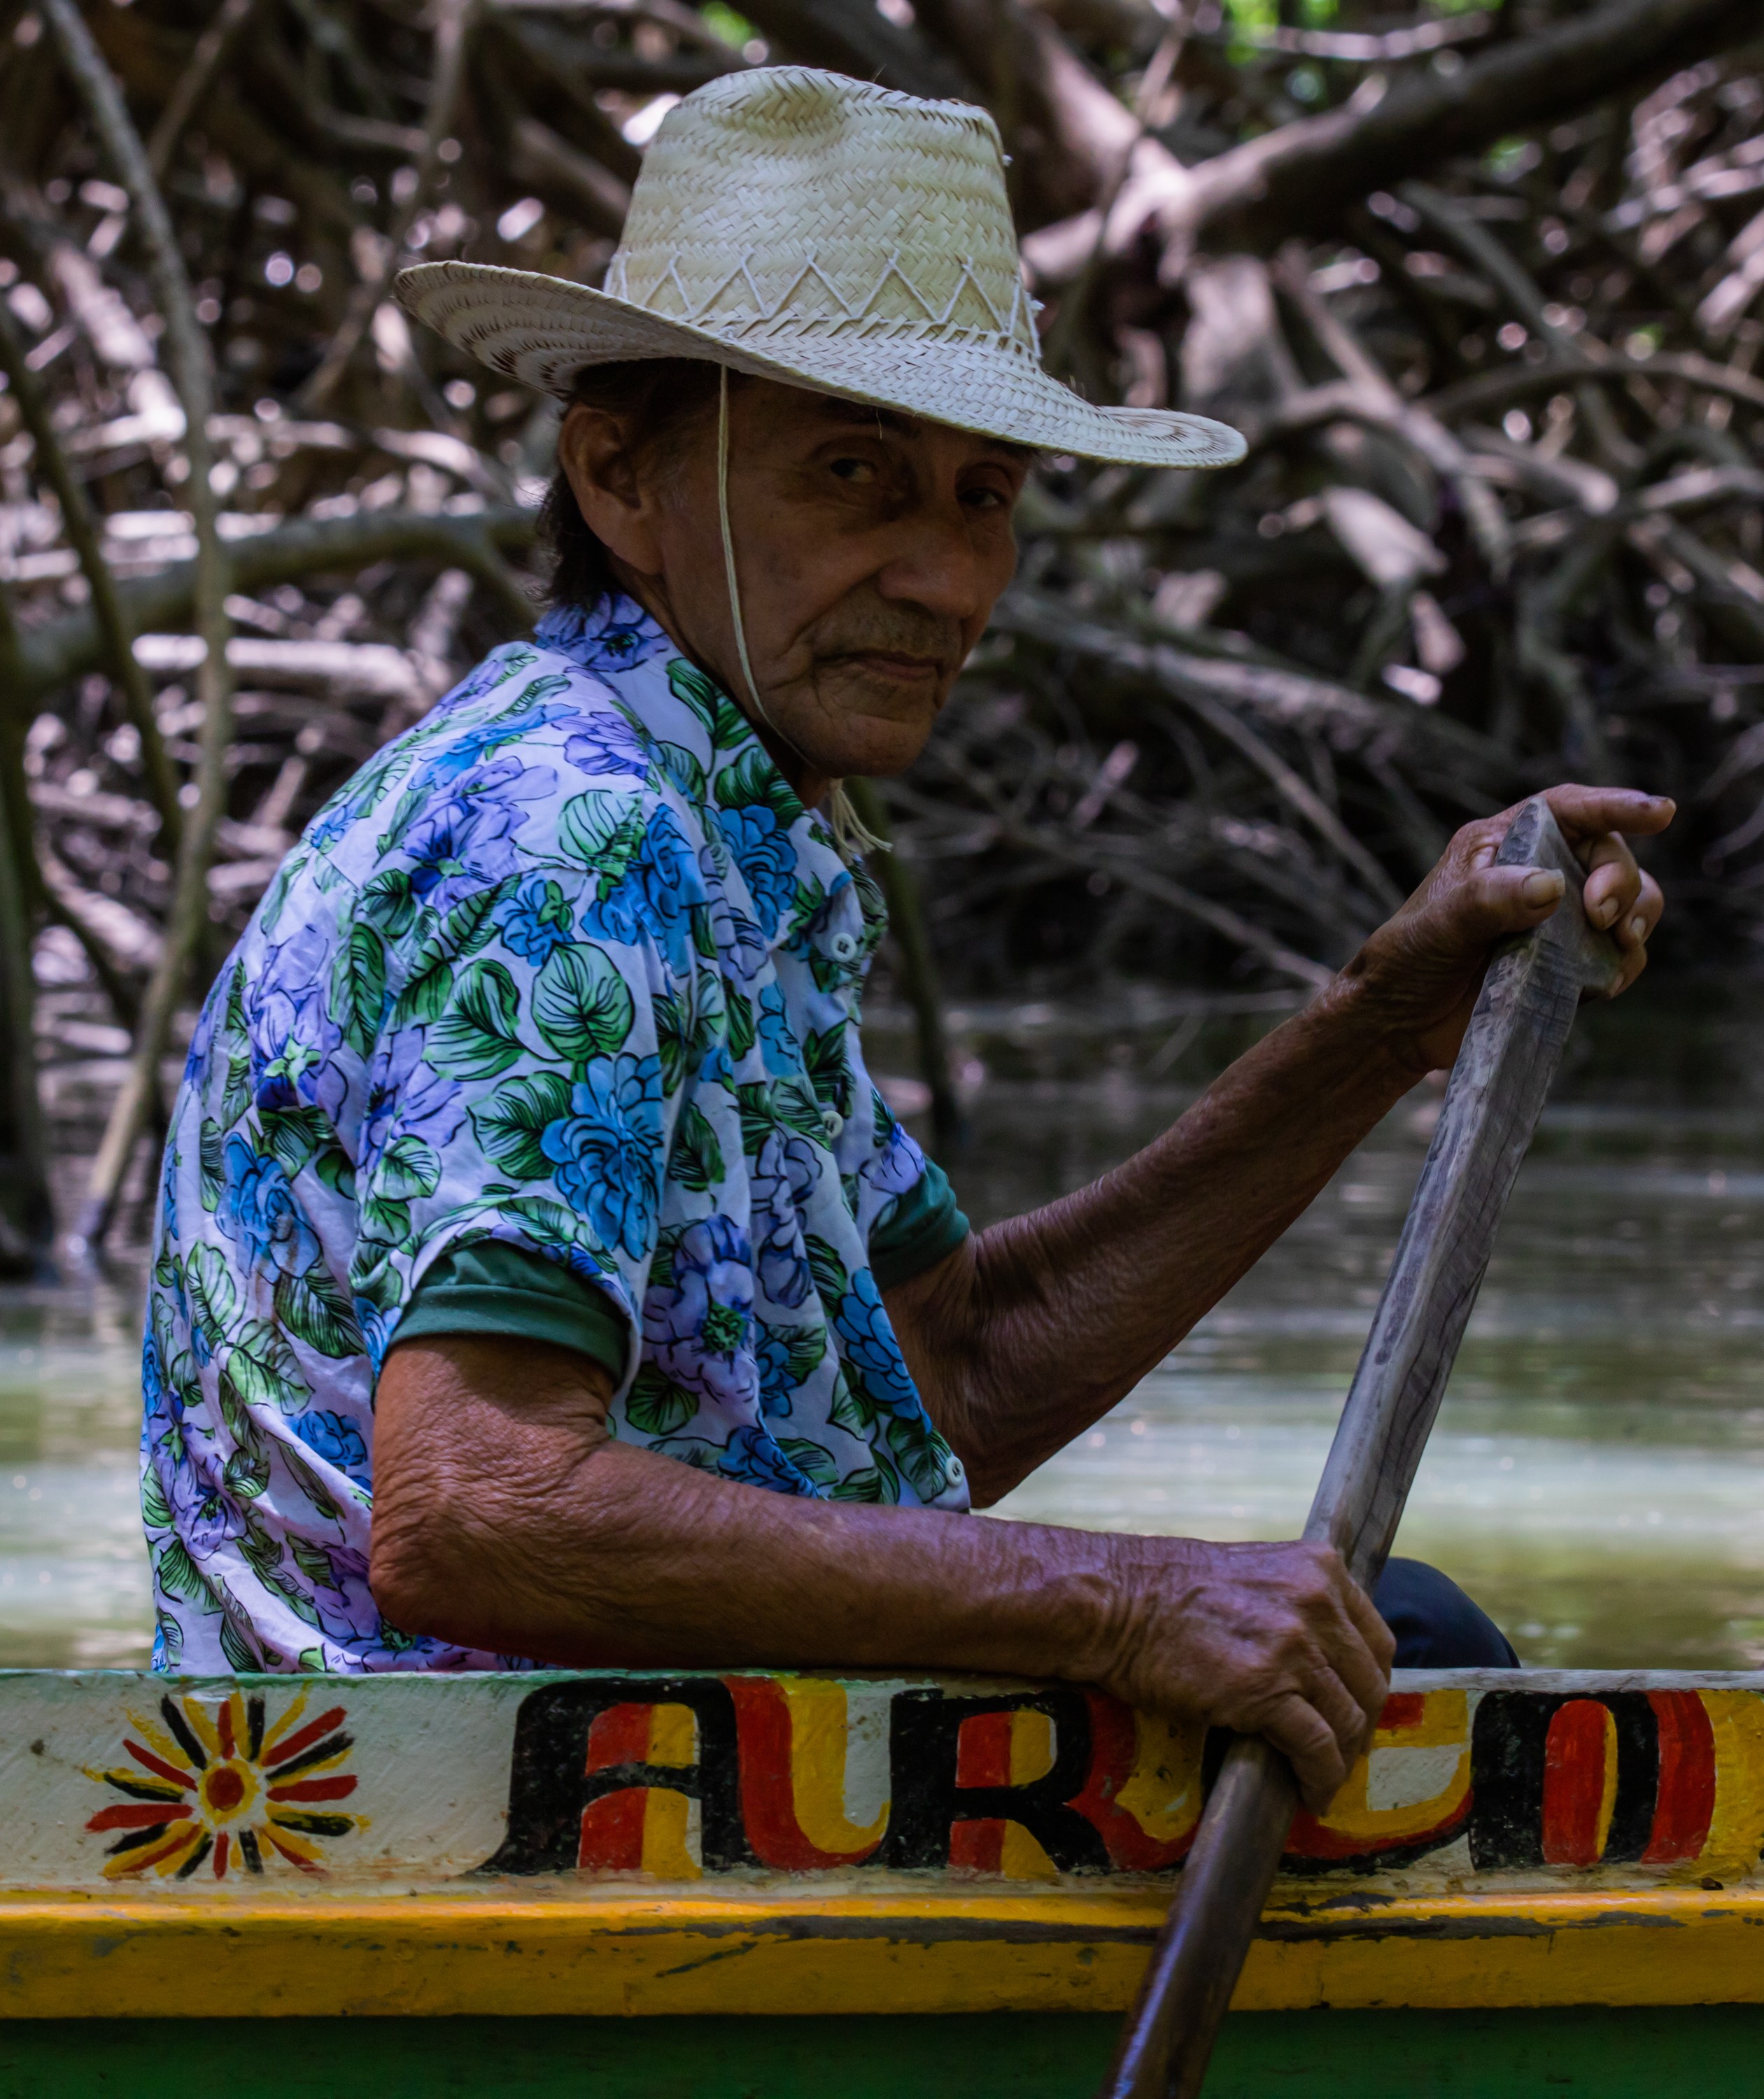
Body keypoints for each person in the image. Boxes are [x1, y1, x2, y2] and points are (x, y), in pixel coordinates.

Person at [141, 68, 1668, 1816]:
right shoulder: (574, 829)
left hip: (639, 1769)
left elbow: (956, 1367)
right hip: (475, 1816)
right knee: (1431, 1678)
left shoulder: (713, 819)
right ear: (621, 477)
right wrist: (1124, 1602)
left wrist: (1385, 1022)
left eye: (984, 494)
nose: (949, 580)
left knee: (1400, 1645)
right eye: (855, 474)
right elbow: (478, 1510)